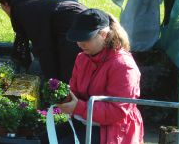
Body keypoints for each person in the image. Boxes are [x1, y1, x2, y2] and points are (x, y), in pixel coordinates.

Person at [54, 9, 143, 144]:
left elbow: (117, 112)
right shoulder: (82, 58)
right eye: (78, 38)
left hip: (114, 130)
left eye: (86, 38)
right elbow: (75, 92)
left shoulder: (123, 66)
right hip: (85, 121)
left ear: (103, 34)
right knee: (43, 139)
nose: (80, 43)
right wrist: (63, 98)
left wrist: (78, 107)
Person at [0, 0, 86, 83]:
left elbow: (44, 47)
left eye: (0, 6)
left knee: (70, 77)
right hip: (84, 17)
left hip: (73, 28)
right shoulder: (32, 0)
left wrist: (52, 83)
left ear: (5, 3)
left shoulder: (23, 8)